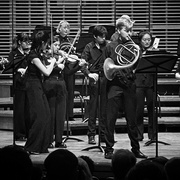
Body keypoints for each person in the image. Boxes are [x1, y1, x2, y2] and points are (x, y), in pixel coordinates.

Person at [103, 15, 147, 159]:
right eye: (126, 31)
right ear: (118, 30)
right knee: (110, 119)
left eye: (130, 31)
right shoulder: (110, 46)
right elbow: (105, 66)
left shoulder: (134, 47)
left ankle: (135, 148)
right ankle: (108, 148)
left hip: (129, 85)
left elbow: (137, 65)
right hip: (114, 85)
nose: (129, 33)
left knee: (132, 120)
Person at [24, 30, 56, 154]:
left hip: (38, 85)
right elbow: (47, 72)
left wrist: (56, 62)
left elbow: (46, 67)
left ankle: (42, 146)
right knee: (40, 117)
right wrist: (53, 62)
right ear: (42, 43)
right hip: (32, 86)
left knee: (46, 115)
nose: (47, 46)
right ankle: (32, 147)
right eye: (47, 43)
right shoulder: (33, 56)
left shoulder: (38, 54)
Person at [81, 25, 108, 144]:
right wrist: (88, 74)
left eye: (104, 36)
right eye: (101, 37)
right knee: (93, 108)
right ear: (95, 37)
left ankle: (103, 134)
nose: (103, 38)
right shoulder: (89, 47)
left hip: (106, 78)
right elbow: (82, 63)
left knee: (104, 109)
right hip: (94, 78)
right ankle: (91, 135)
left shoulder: (108, 45)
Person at [3, 32, 31, 141]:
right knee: (19, 110)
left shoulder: (29, 53)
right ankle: (20, 134)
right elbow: (9, 67)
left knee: (28, 110)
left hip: (28, 84)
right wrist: (18, 69)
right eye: (25, 41)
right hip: (19, 84)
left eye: (29, 41)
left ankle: (28, 132)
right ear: (20, 42)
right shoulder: (14, 54)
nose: (28, 44)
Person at [56, 20, 83, 121]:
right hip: (59, 68)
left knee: (70, 91)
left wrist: (75, 52)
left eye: (68, 28)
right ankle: (61, 115)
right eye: (64, 27)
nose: (66, 30)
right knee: (62, 92)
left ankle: (70, 115)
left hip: (70, 67)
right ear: (59, 29)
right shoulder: (55, 39)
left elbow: (76, 53)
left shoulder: (72, 40)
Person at [135, 30, 156, 141]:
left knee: (152, 110)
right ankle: (139, 134)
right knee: (139, 110)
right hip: (138, 83)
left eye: (149, 40)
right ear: (140, 41)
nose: (147, 42)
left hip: (151, 83)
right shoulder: (136, 50)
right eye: (145, 40)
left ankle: (152, 136)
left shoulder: (154, 51)